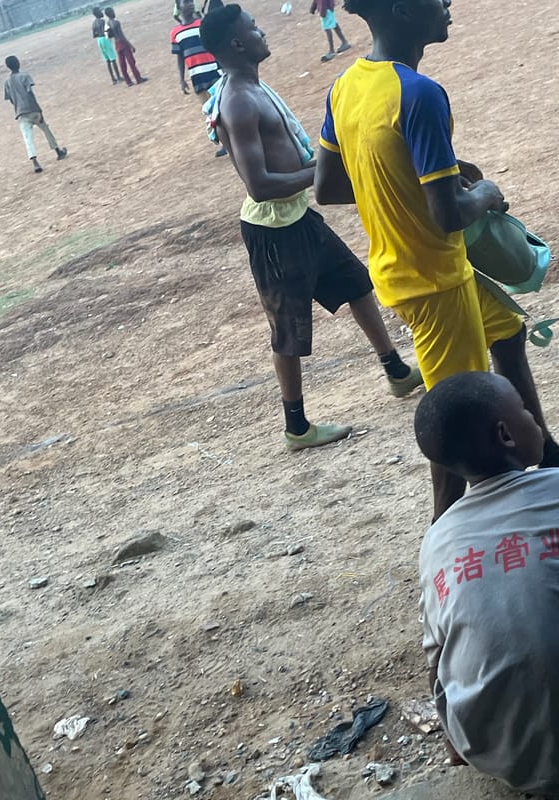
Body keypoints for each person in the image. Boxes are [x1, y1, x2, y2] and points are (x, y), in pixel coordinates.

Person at [315, 0, 559, 510]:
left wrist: (425, 175)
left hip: (413, 266)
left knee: (507, 332)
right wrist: (487, 192)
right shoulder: (419, 93)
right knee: (457, 422)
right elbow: (450, 216)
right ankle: (442, 534)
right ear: (403, 11)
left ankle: (548, 456)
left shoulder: (347, 85)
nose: (446, 4)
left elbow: (329, 185)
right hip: (434, 281)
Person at [199, 5, 422, 451]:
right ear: (238, 44)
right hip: (274, 231)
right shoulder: (239, 101)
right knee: (289, 332)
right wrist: (323, 172)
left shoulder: (253, 88)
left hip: (297, 218)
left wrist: (324, 164)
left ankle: (396, 372)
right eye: (254, 29)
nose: (263, 33)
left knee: (357, 284)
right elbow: (260, 185)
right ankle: (297, 428)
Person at [415, 370, 559, 795]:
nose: (535, 420)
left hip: (503, 753)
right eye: (526, 413)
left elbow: (435, 657)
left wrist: (454, 744)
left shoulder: (438, 541)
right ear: (506, 435)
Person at [171, 0, 227, 156]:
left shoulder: (203, 24)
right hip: (197, 77)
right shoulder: (176, 33)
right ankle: (225, 143)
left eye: (190, 1)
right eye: (185, 2)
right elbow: (180, 57)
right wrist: (181, 79)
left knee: (223, 108)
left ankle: (233, 140)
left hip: (214, 72)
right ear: (178, 7)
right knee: (210, 112)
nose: (189, 4)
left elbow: (214, 44)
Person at [3, 55, 67, 173]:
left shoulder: (7, 82)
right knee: (46, 130)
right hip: (32, 109)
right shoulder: (24, 76)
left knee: (28, 138)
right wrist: (39, 110)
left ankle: (35, 162)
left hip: (20, 113)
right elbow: (30, 93)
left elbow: (11, 99)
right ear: (18, 63)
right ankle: (58, 151)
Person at [104, 7, 148, 87]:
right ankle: (138, 78)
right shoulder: (116, 22)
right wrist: (131, 45)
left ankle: (128, 82)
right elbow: (122, 36)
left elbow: (108, 35)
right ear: (110, 13)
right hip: (123, 43)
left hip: (116, 44)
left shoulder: (108, 23)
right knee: (131, 62)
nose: (114, 13)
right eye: (113, 12)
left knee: (122, 63)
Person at [92, 7, 122, 85]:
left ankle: (113, 79)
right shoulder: (102, 21)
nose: (102, 12)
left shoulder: (94, 23)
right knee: (113, 59)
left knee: (107, 60)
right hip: (105, 39)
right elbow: (107, 31)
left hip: (99, 41)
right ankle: (118, 77)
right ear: (97, 13)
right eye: (100, 11)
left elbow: (94, 35)